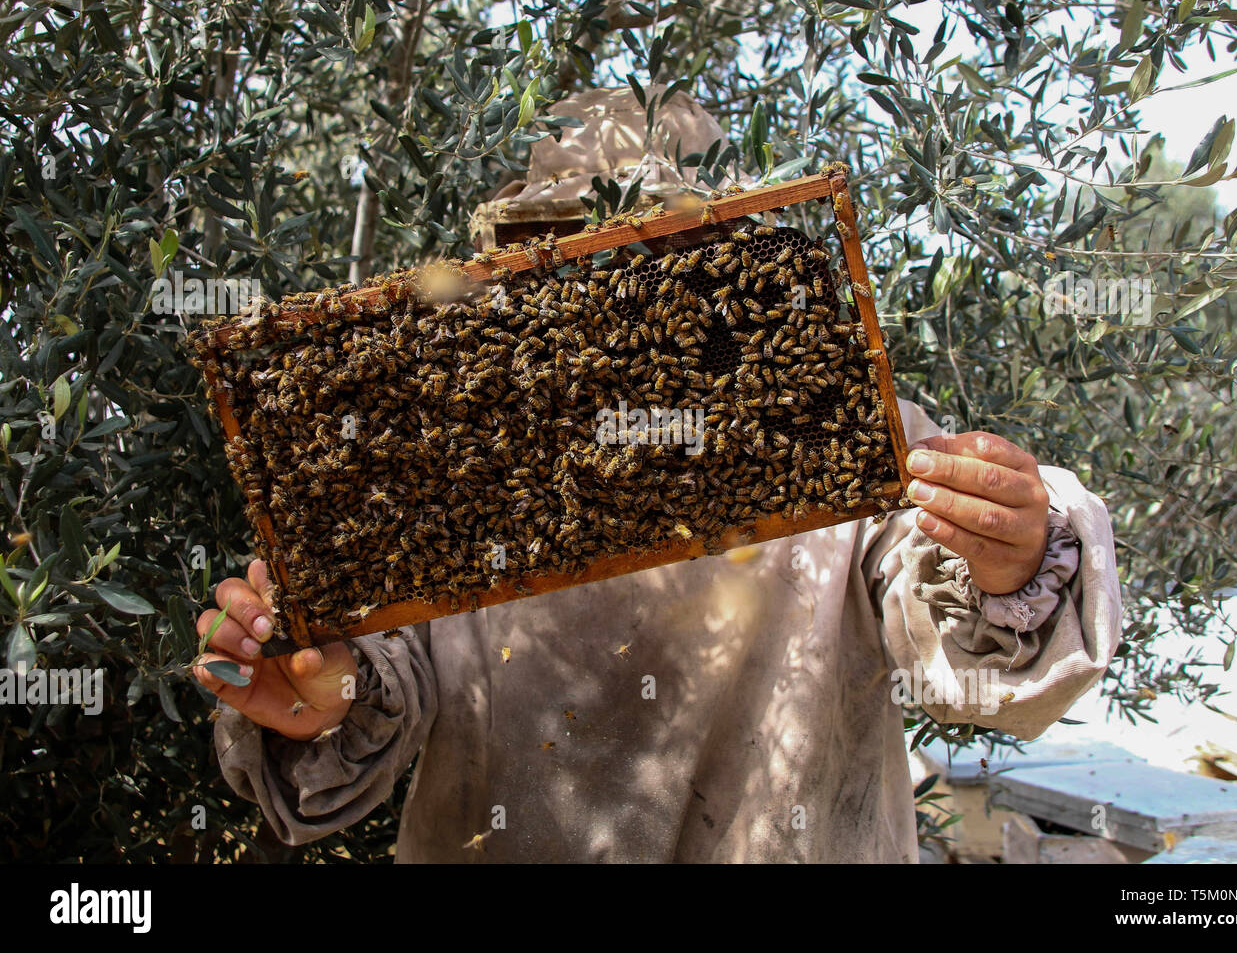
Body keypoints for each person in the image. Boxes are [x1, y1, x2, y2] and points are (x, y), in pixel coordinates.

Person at [194, 90, 1122, 862]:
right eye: (562, 256)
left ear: (703, 258)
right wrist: (327, 691)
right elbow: (378, 673)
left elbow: (952, 607)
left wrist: (1012, 556)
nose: (598, 295)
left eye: (631, 256)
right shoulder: (450, 462)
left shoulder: (829, 429)